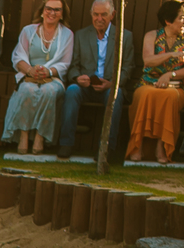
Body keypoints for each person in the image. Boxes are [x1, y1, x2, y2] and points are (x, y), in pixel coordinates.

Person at [57, 0, 134, 158]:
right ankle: (65, 144)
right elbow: (73, 65)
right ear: (91, 15)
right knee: (71, 91)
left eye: (104, 14)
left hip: (109, 86)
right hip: (85, 86)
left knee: (116, 95)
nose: (99, 18)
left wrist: (112, 84)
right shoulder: (81, 35)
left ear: (112, 15)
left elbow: (128, 68)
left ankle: (106, 149)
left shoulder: (124, 36)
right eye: (96, 14)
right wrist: (78, 78)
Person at [127, 1, 184, 163]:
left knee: (169, 96)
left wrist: (169, 75)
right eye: (182, 18)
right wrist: (171, 55)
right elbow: (148, 61)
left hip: (177, 86)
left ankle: (162, 146)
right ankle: (138, 145)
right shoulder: (152, 36)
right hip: (148, 82)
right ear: (168, 20)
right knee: (145, 94)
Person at [1, 0, 73, 154]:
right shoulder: (28, 31)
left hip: (53, 78)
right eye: (49, 9)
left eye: (57, 10)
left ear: (62, 14)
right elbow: (18, 56)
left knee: (49, 92)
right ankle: (24, 135)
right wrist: (30, 70)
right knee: (27, 90)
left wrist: (49, 71)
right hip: (29, 75)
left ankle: (40, 136)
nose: (52, 13)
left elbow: (65, 63)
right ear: (42, 11)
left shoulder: (68, 35)